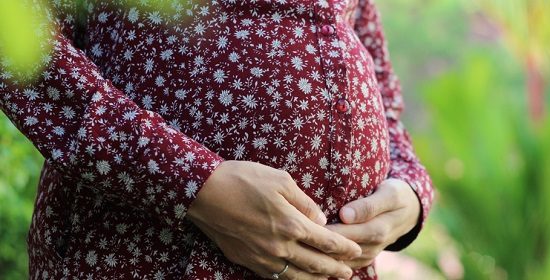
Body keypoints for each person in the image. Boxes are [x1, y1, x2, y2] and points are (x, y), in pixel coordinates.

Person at [0, 0, 434, 279]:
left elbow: (375, 73)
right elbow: (17, 45)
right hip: (149, 251)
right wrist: (192, 184)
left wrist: (409, 192)